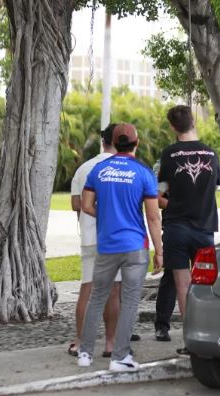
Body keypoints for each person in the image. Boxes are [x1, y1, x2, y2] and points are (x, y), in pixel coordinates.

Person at [157, 105, 220, 354]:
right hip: (204, 229)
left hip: (175, 228)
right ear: (193, 122)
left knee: (182, 286)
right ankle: (208, 337)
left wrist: (173, 204)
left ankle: (189, 342)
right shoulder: (210, 153)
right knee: (204, 286)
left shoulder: (168, 154)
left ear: (173, 127)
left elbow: (159, 194)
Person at [78, 123, 163, 372]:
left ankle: (84, 353)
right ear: (136, 143)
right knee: (129, 301)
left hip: (106, 245)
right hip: (135, 245)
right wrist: (159, 249)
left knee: (97, 297)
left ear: (114, 143)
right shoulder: (144, 173)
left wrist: (105, 216)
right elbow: (153, 217)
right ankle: (120, 356)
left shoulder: (99, 170)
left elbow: (85, 205)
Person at [68, 124, 122, 358]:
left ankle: (80, 342)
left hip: (90, 237)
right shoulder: (123, 168)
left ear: (103, 141)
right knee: (114, 291)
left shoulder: (84, 169)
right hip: (115, 238)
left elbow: (75, 204)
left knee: (87, 289)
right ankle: (110, 343)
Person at [151, 161, 176, 342]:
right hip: (174, 225)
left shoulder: (203, 159)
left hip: (201, 227)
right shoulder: (167, 163)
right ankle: (161, 325)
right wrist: (180, 207)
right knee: (172, 276)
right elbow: (156, 198)